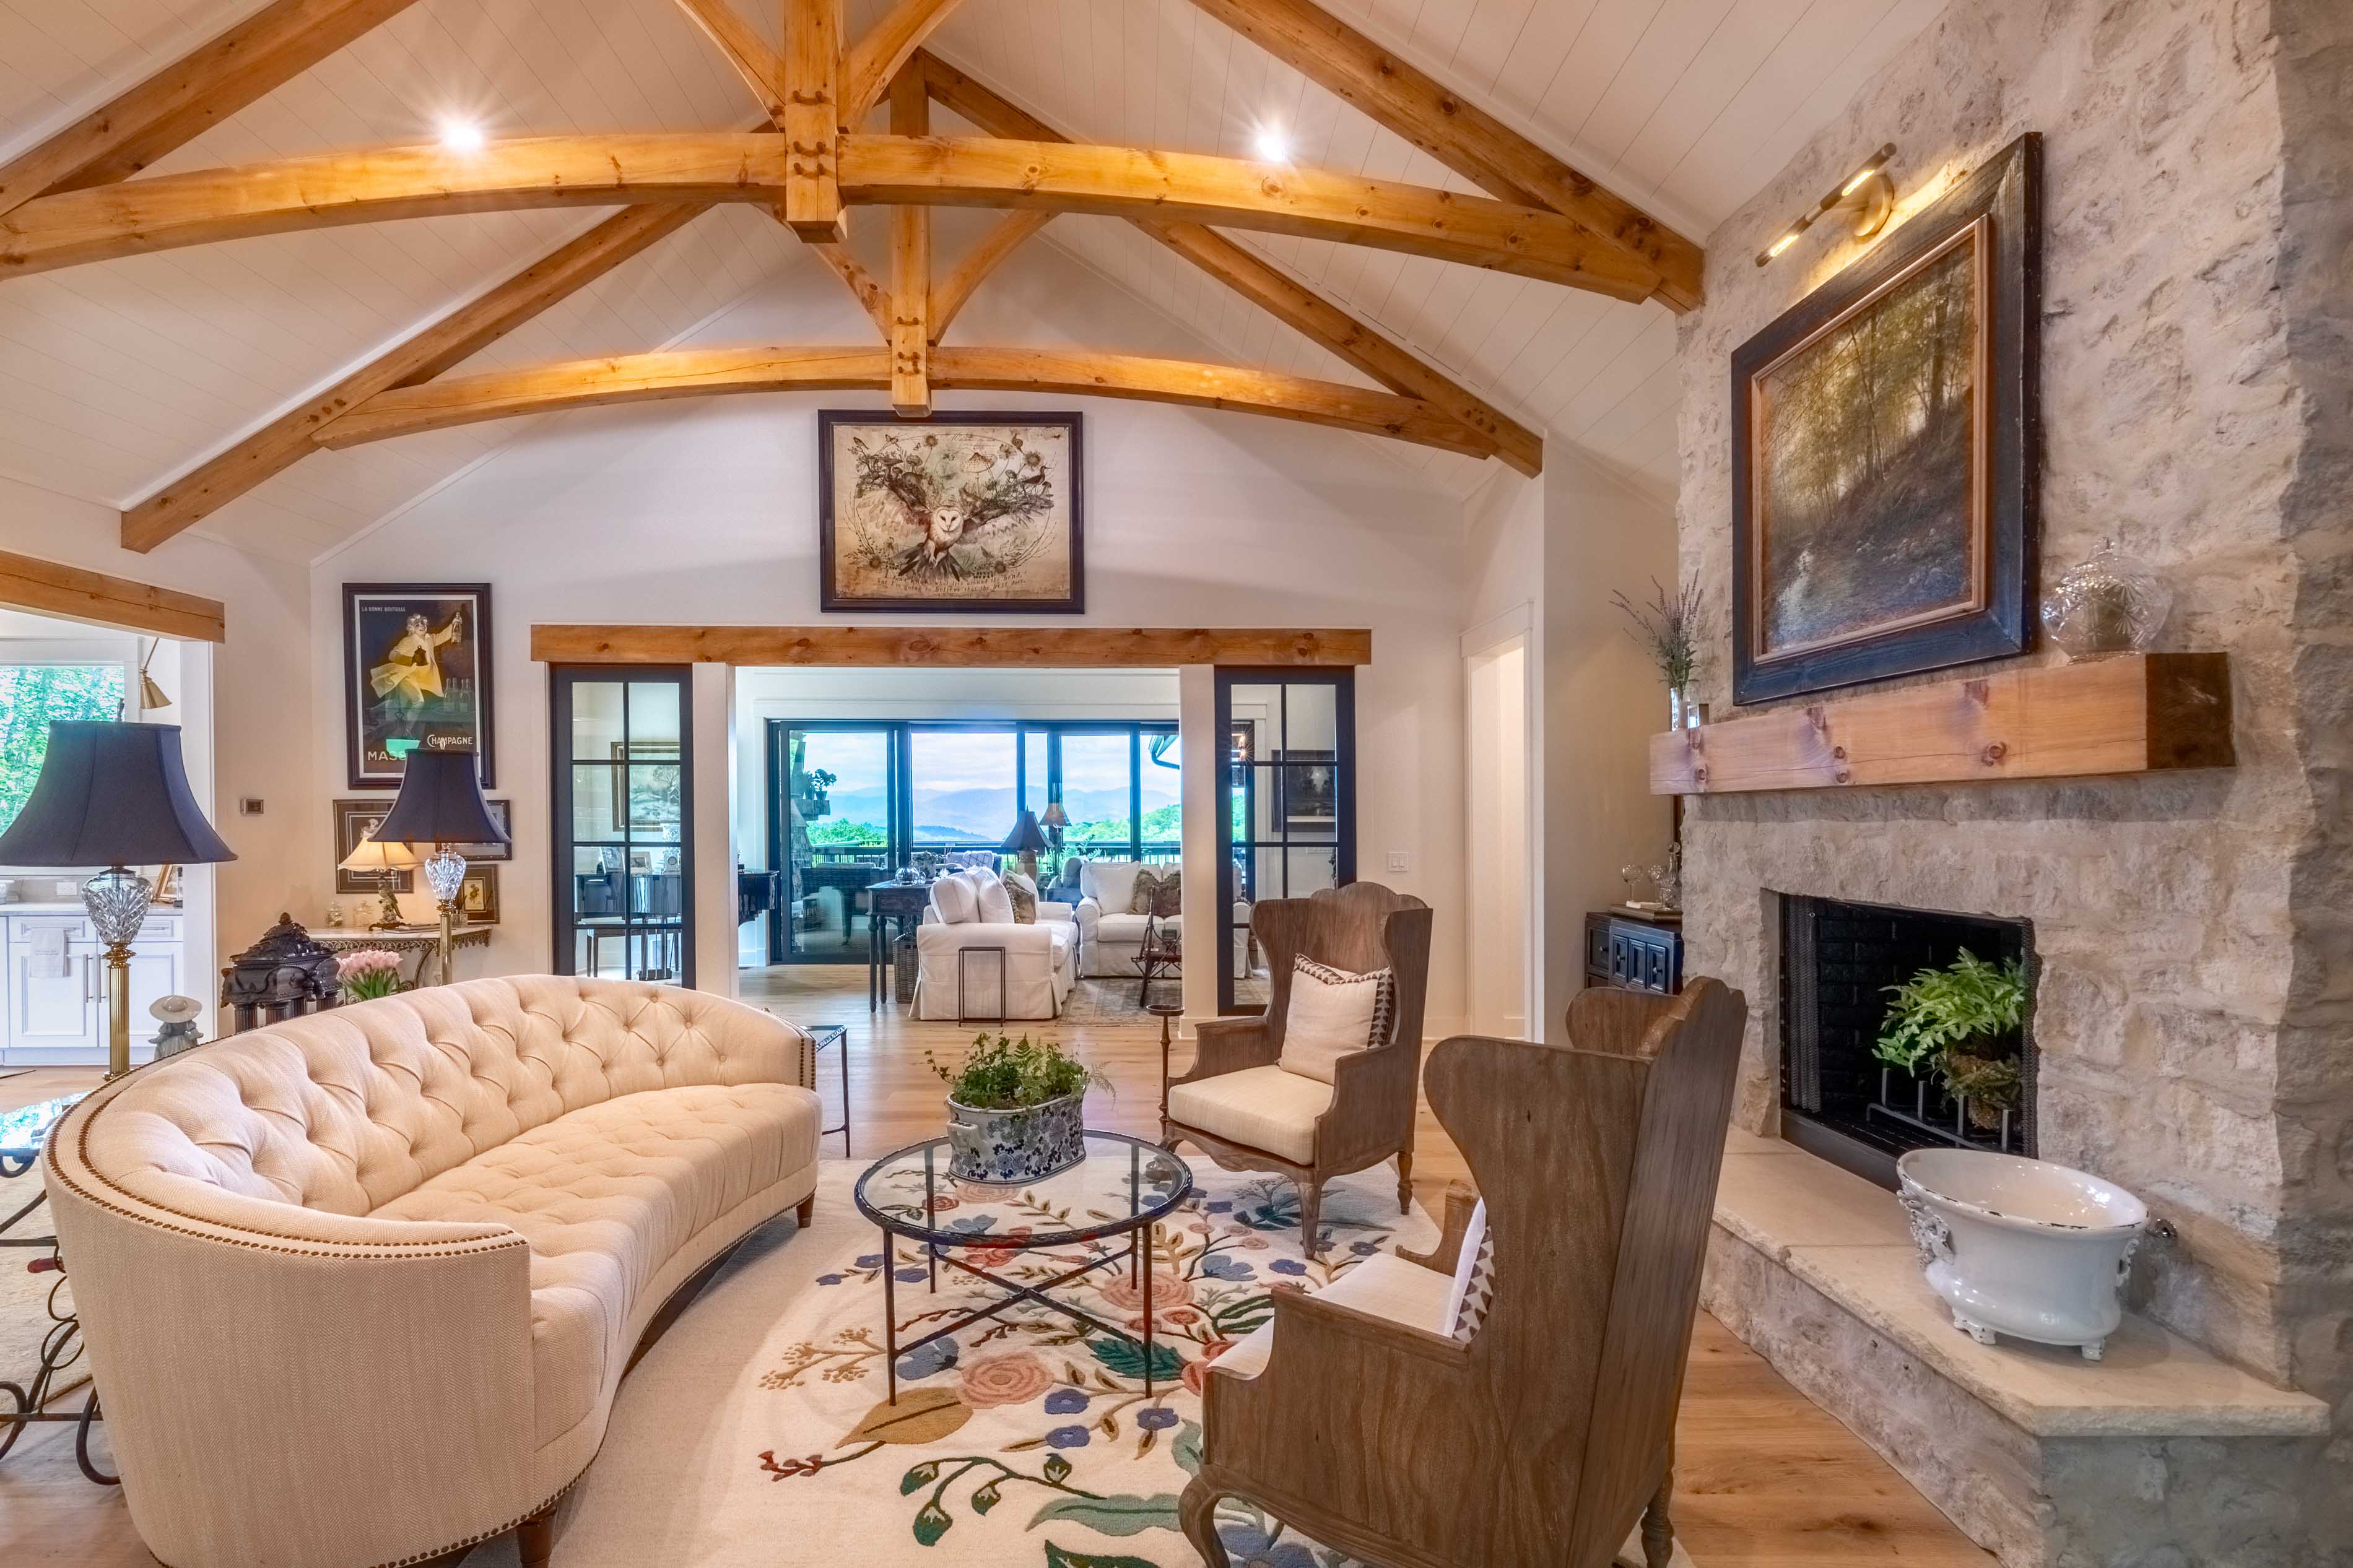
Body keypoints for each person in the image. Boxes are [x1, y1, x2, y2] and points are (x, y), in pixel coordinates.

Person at [370, 609, 464, 740]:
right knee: (418, 702)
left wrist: (454, 623)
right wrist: (411, 660)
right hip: (407, 675)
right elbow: (393, 655)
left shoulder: (430, 638)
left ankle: (370, 712)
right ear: (412, 628)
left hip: (421, 678)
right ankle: (407, 732)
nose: (422, 626)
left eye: (423, 624)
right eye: (417, 625)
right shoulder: (408, 641)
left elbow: (443, 636)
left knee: (399, 703)